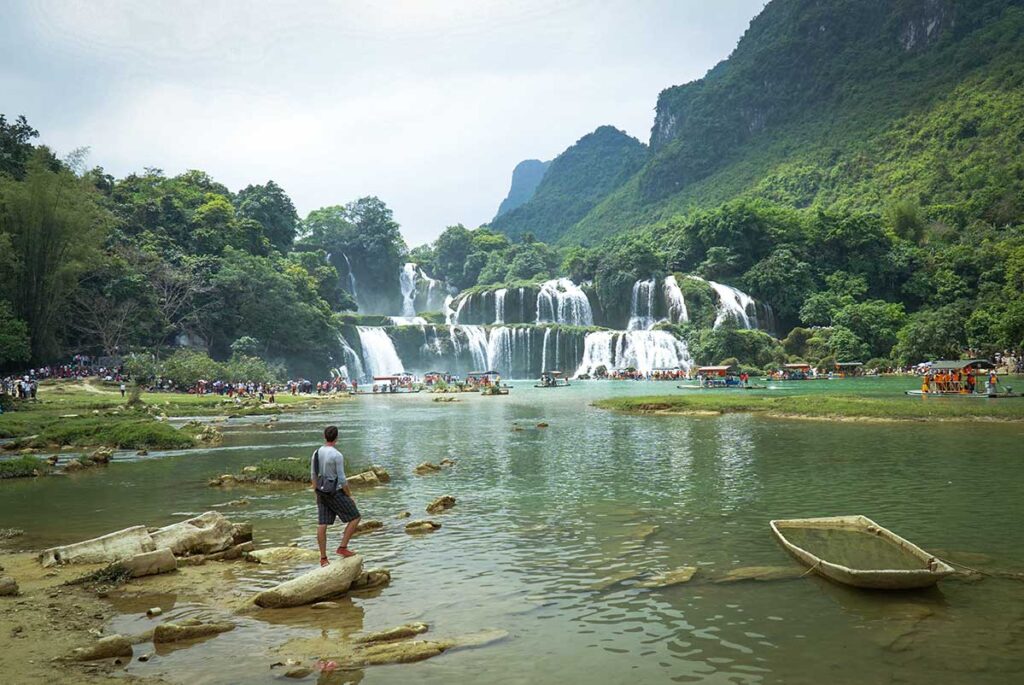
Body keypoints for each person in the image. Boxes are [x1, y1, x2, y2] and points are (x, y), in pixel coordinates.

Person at [310, 425, 361, 567]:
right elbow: (342, 479)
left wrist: (316, 491)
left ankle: (323, 558)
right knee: (355, 517)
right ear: (337, 437)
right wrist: (350, 496)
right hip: (335, 492)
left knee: (322, 524)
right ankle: (342, 547)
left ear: (324, 436)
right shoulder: (337, 455)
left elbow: (313, 475)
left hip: (321, 491)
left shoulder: (316, 453)